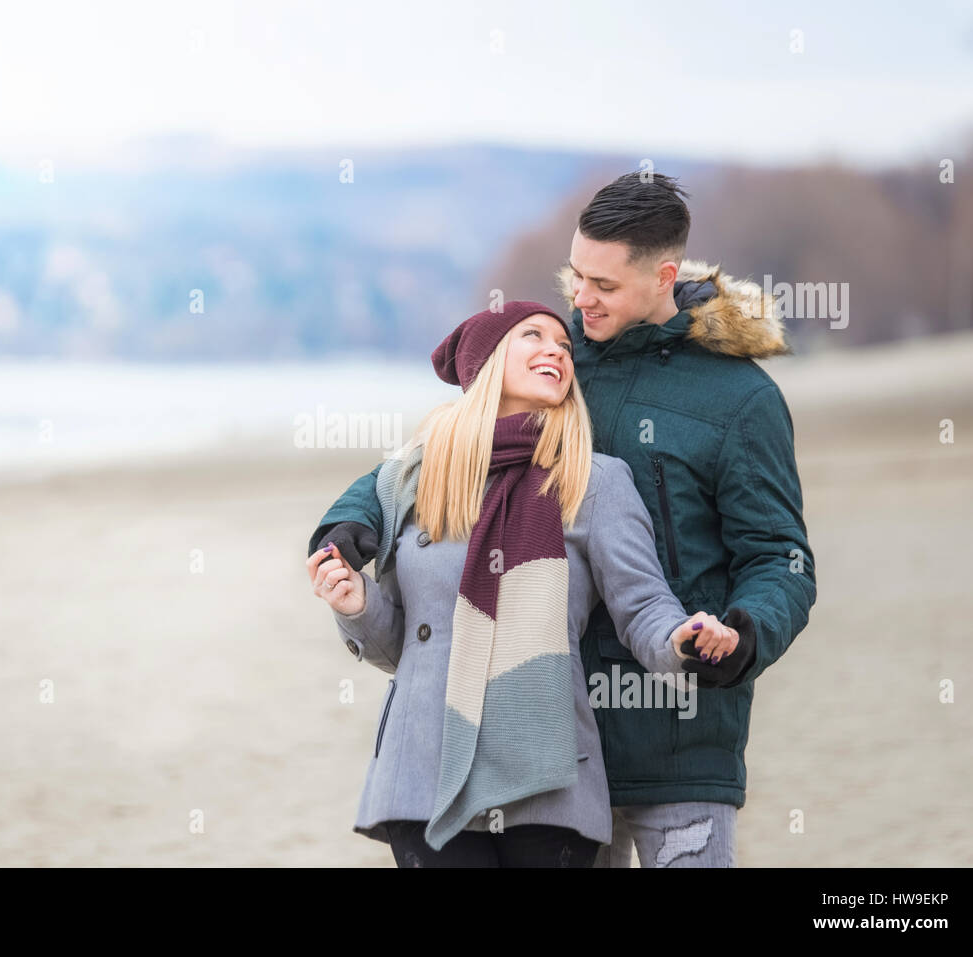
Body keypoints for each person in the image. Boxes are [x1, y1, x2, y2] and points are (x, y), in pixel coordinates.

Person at [307, 172, 817, 867]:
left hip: (680, 737)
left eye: (603, 286)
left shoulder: (739, 399)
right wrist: (346, 528)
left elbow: (778, 556)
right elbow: (423, 466)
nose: (580, 299)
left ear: (665, 275)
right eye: (576, 276)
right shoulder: (560, 364)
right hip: (547, 754)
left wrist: (743, 632)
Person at [306, 299, 738, 867]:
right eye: (533, 336)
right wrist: (356, 604)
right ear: (486, 363)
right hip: (425, 771)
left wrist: (685, 637)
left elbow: (642, 606)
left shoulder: (594, 480)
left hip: (548, 775)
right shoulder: (415, 478)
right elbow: (403, 650)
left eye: (563, 345)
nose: (555, 351)